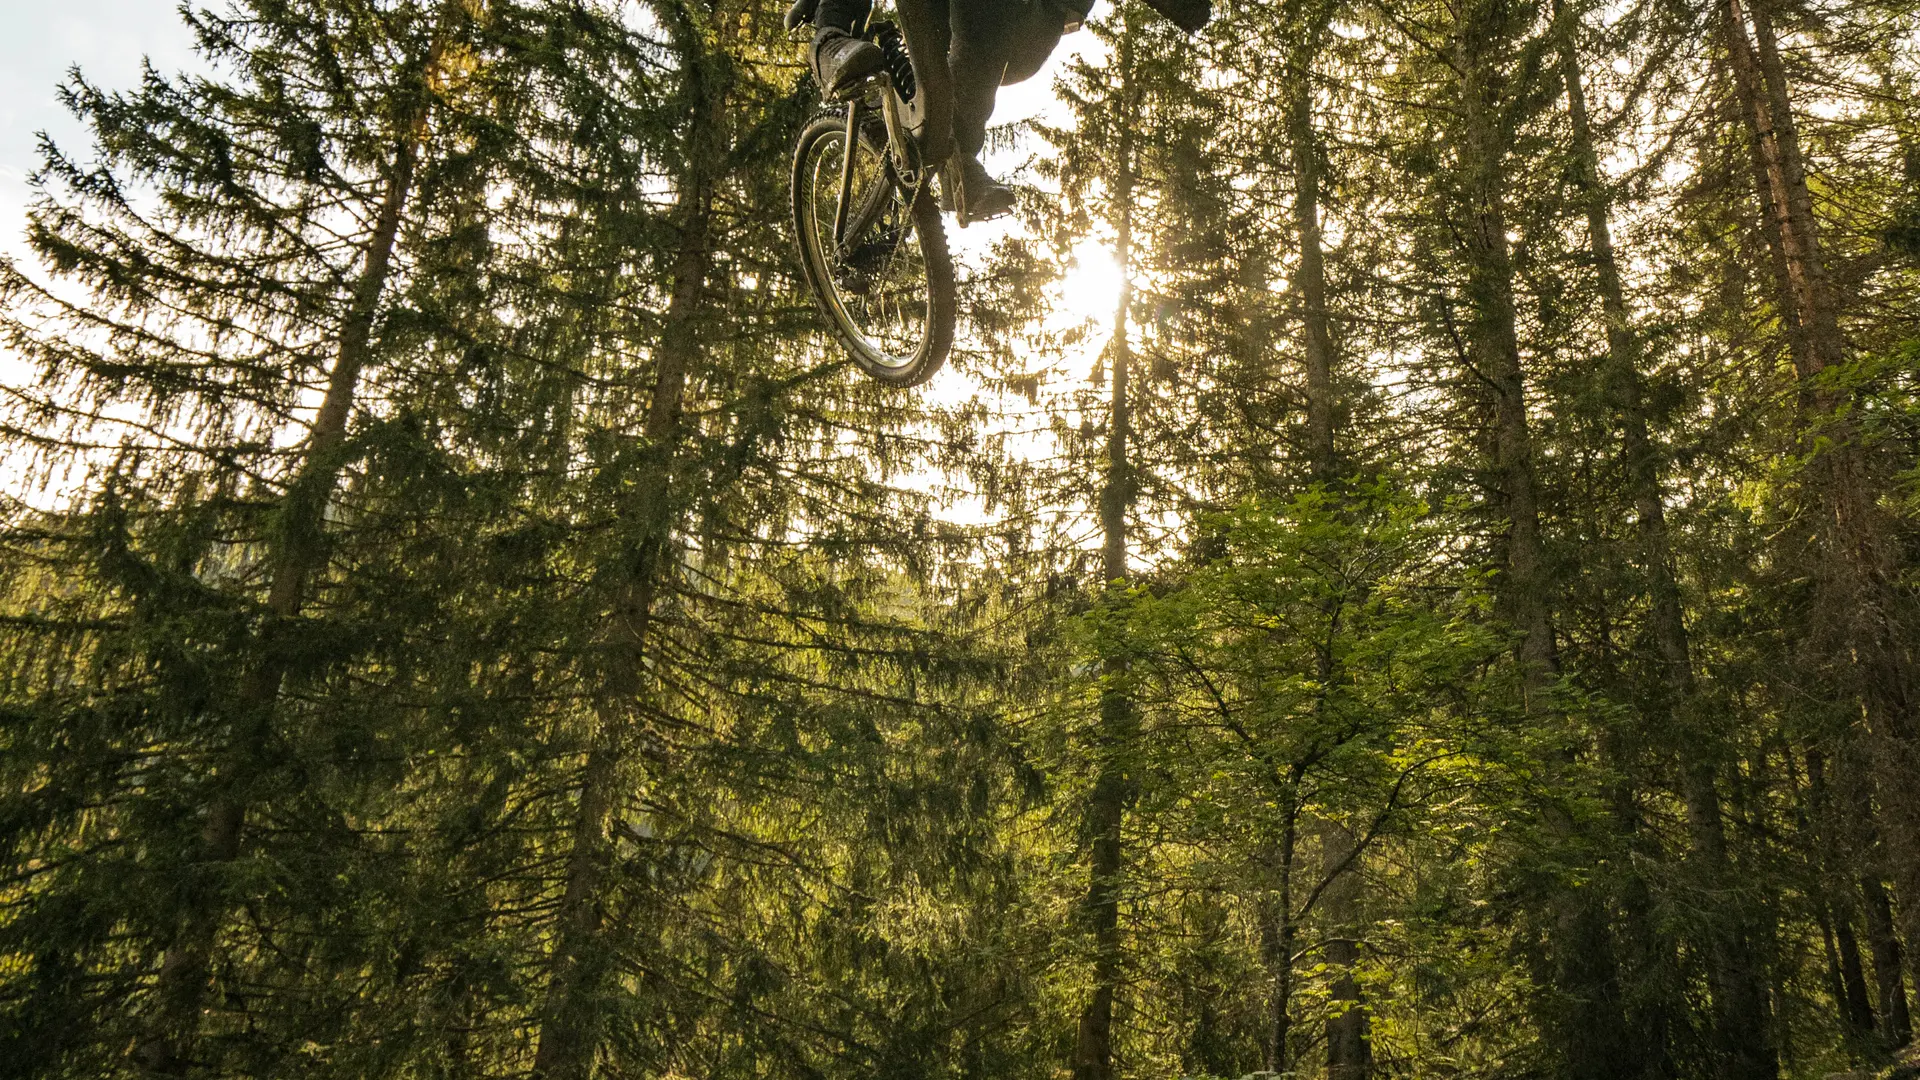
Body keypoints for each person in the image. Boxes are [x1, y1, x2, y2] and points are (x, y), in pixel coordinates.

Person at [798, 0, 1210, 222]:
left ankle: (956, 153)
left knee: (978, 44)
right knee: (953, 88)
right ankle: (830, 41)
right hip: (1012, 29)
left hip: (1022, 25)